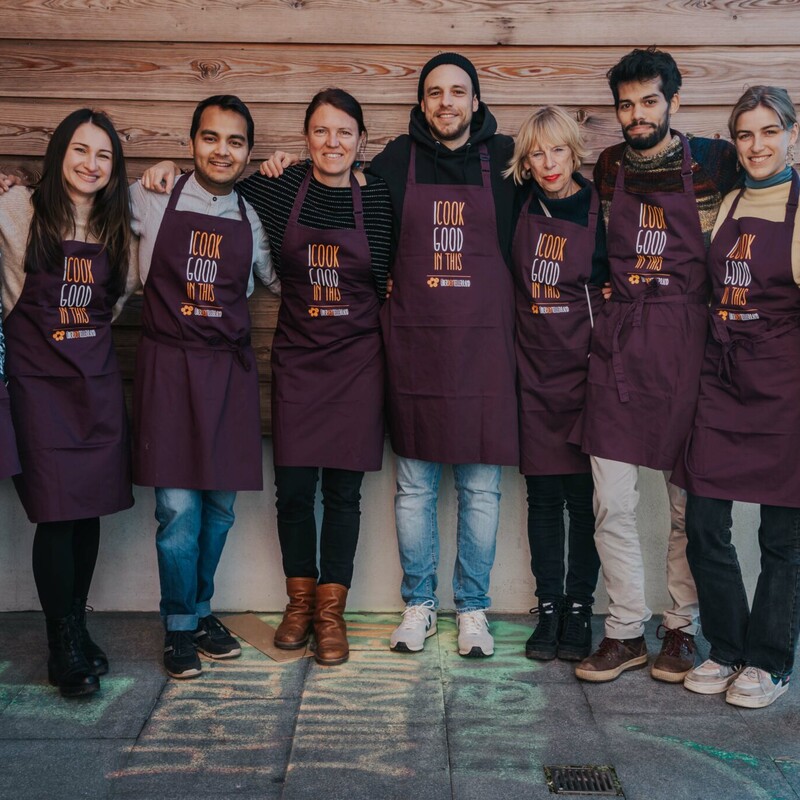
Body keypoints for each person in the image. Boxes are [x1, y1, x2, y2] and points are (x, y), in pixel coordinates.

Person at [142, 89, 392, 667]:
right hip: (300, 361)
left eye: (344, 132)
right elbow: (213, 185)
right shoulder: (274, 188)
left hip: (358, 364)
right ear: (305, 140)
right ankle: (298, 605)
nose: (333, 142)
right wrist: (163, 170)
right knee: (296, 492)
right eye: (321, 131)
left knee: (345, 494)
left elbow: (393, 273)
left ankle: (331, 613)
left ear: (361, 140)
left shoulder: (379, 196)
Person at [570, 47, 740, 683]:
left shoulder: (717, 160)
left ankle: (680, 627)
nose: (636, 115)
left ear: (674, 101)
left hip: (689, 350)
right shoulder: (609, 165)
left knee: (681, 509)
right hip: (619, 348)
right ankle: (623, 629)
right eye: (626, 105)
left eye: (648, 102)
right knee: (611, 501)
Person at [371, 53, 518, 658]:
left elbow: (566, 189)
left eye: (458, 92)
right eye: (435, 93)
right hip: (417, 352)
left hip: (485, 352)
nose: (447, 103)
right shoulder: (393, 162)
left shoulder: (508, 160)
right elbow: (332, 194)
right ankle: (420, 603)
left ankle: (474, 608)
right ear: (422, 102)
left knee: (482, 490)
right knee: (414, 488)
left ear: (476, 101)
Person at [132, 95, 280, 679]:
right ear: (192, 142)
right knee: (176, 509)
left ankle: (197, 609)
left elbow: (280, 277)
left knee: (219, 510)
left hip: (228, 375)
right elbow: (82, 215)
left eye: (236, 141)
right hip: (169, 370)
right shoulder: (149, 197)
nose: (223, 150)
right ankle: (177, 625)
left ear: (247, 151)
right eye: (212, 138)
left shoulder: (251, 217)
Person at [0, 109, 133, 697]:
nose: (91, 164)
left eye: (104, 155)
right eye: (81, 150)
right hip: (39, 387)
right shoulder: (17, 210)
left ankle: (77, 625)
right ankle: (61, 645)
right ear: (57, 154)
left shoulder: (115, 225)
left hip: (95, 382)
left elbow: (117, 299)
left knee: (88, 511)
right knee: (56, 515)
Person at [676, 86, 800, 708]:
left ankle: (771, 660)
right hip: (722, 382)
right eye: (745, 134)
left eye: (769, 132)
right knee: (704, 523)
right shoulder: (725, 204)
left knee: (783, 537)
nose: (757, 146)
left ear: (792, 135)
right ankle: (726, 647)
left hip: (785, 389)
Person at [503, 106, 606, 662]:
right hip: (531, 374)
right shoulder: (518, 204)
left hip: (584, 375)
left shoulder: (599, 210)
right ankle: (547, 609)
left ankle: (579, 609)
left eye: (558, 150)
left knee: (581, 501)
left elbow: (614, 290)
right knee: (542, 498)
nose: (548, 163)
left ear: (574, 151)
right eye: (537, 152)